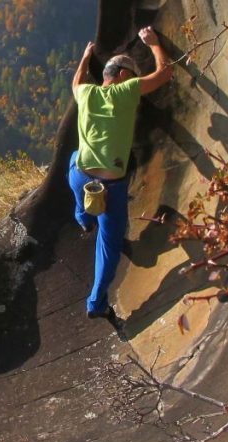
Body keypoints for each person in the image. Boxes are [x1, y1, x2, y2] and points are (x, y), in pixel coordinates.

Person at [68, 26, 172, 319]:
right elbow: (164, 73)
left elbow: (76, 82)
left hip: (81, 175)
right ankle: (96, 304)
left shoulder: (86, 93)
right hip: (109, 188)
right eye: (134, 73)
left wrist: (86, 58)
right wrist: (153, 43)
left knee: (73, 160)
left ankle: (82, 216)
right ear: (124, 76)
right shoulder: (127, 90)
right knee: (108, 246)